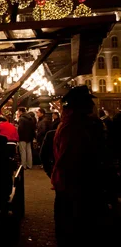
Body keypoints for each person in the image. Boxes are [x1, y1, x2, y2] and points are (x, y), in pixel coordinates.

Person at [52, 85, 110, 246]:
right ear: (79, 106)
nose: (92, 105)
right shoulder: (75, 127)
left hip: (70, 184)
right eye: (88, 102)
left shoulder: (71, 124)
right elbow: (73, 159)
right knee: (76, 230)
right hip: (77, 186)